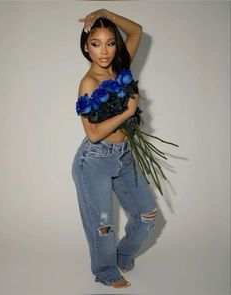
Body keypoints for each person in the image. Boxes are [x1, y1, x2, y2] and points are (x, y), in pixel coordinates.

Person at [72, 8, 159, 288]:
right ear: (87, 47)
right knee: (103, 225)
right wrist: (126, 112)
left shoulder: (120, 69)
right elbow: (94, 133)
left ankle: (123, 254)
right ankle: (105, 270)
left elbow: (137, 31)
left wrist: (105, 12)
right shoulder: (89, 83)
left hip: (125, 156)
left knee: (147, 214)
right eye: (96, 44)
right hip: (94, 161)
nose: (104, 52)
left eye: (110, 43)